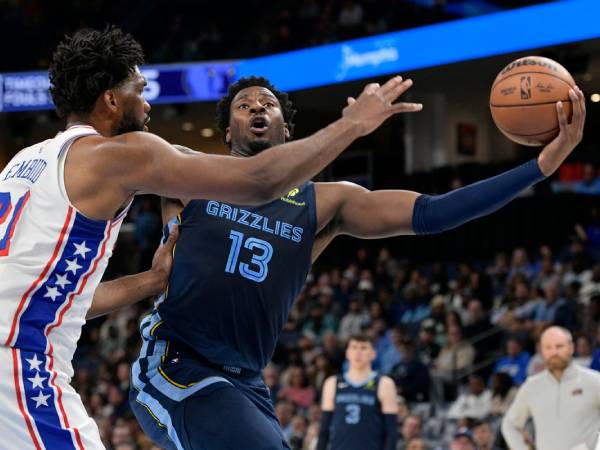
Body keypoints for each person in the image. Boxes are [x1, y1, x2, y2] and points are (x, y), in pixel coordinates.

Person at [0, 25, 419, 450]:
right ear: (110, 99)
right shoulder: (118, 156)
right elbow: (259, 181)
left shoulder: (23, 163)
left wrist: (151, 279)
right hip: (19, 359)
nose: (146, 104)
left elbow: (64, 302)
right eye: (140, 90)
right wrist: (350, 125)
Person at [126, 75, 584, 450]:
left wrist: (540, 167)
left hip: (244, 379)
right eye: (244, 105)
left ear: (287, 130)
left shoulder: (324, 203)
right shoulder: (188, 172)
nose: (257, 108)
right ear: (227, 131)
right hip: (176, 361)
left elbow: (433, 212)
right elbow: (118, 145)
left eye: (268, 104)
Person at [502, 326, 600, 450]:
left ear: (571, 348)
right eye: (548, 347)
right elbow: (510, 424)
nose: (554, 352)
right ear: (541, 350)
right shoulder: (531, 386)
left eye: (559, 346)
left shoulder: (594, 381)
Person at [317, 334, 398, 450]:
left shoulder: (384, 383)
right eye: (354, 347)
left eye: (364, 348)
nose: (358, 352)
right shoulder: (332, 383)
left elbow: (391, 431)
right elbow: (324, 429)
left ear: (373, 354)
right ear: (347, 353)